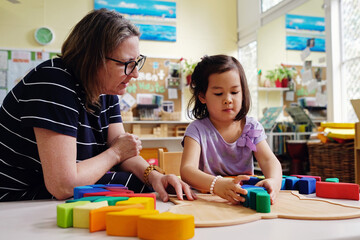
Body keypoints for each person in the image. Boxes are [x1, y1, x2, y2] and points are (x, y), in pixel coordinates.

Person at [0, 9, 195, 202]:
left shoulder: (106, 90)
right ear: (93, 59)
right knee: (130, 186)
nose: (135, 73)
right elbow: (63, 185)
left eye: (137, 62)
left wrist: (155, 177)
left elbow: (125, 152)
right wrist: (116, 153)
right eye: (127, 63)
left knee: (139, 184)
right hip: (17, 200)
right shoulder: (53, 82)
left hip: (52, 193)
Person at [180, 55, 282, 204]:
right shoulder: (197, 130)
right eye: (218, 93)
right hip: (207, 201)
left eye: (234, 92)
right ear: (202, 96)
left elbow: (269, 160)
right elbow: (187, 170)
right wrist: (217, 185)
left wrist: (274, 181)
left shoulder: (251, 127)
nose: (228, 99)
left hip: (243, 200)